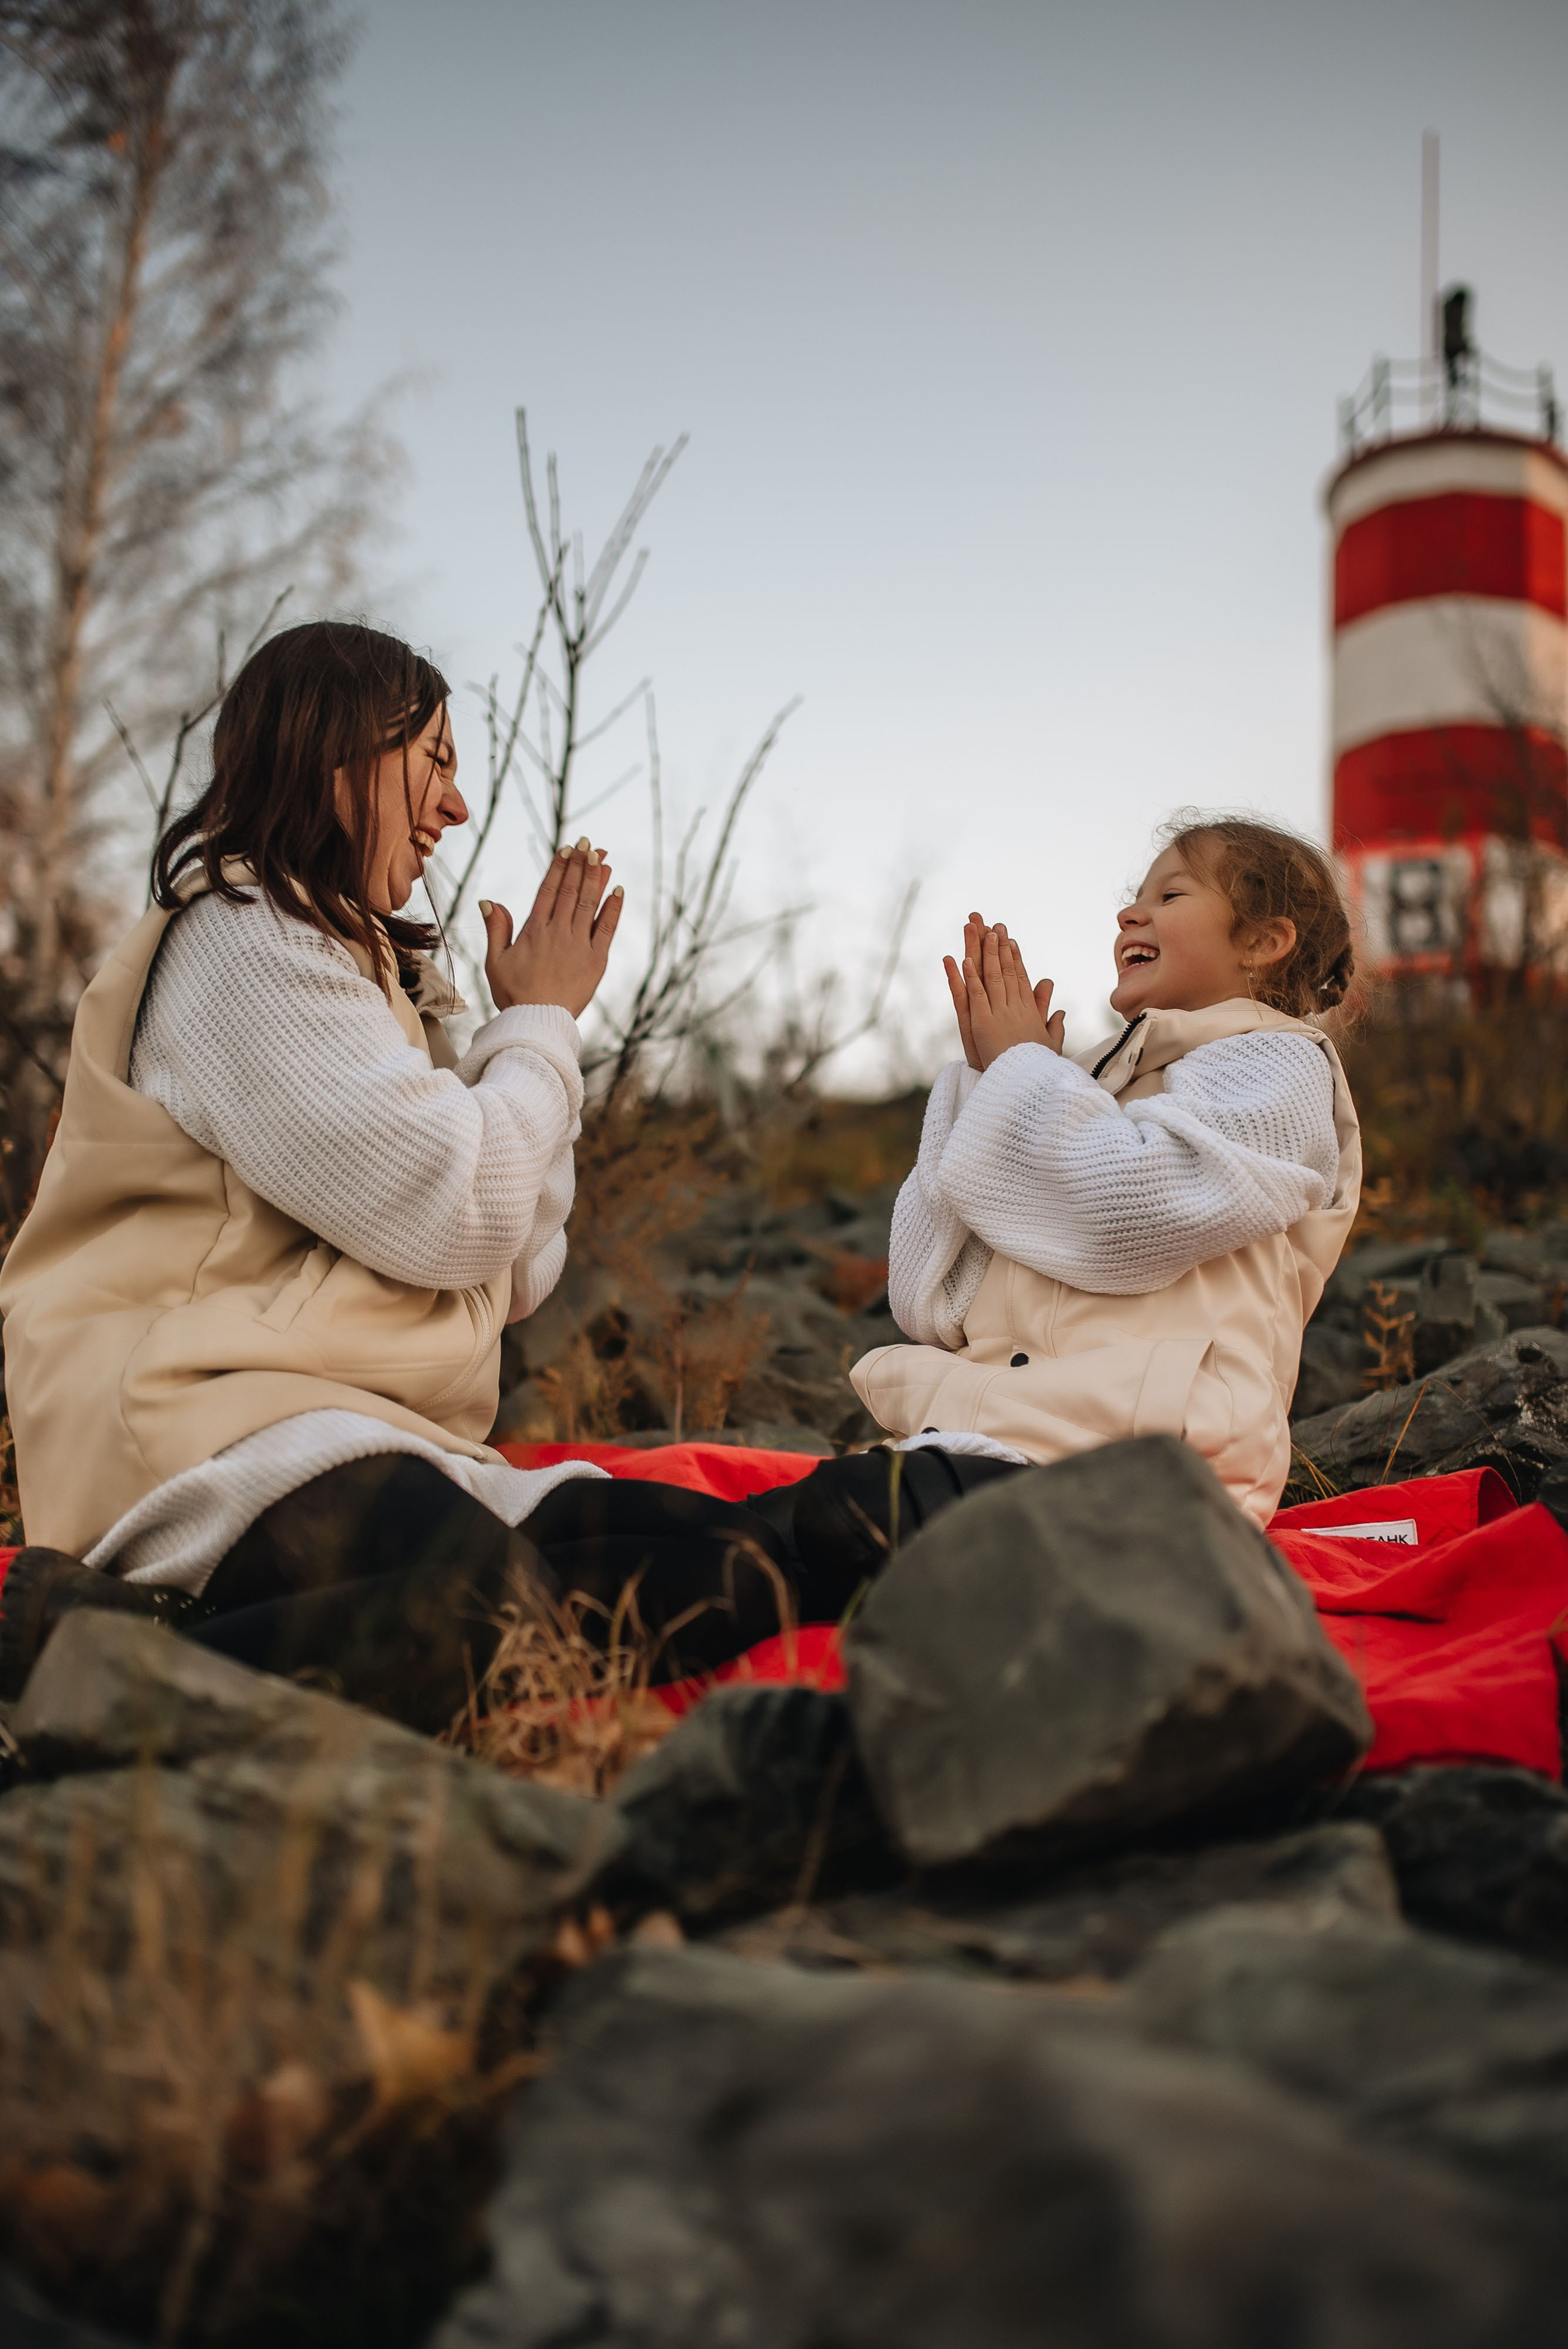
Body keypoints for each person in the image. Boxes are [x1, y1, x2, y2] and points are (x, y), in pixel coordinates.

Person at [0, 622, 799, 1724]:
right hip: (210, 1456)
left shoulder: (361, 971)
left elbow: (516, 1268)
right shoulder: (243, 940)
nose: (456, 808)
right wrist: (539, 1025)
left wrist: (524, 1041)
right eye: (433, 762)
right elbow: (461, 1213)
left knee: (720, 1550)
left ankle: (939, 1500)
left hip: (354, 1435)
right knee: (505, 1618)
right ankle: (96, 1654)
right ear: (339, 758)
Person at [778, 816, 1362, 1578]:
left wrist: (1024, 1073)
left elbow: (1135, 1214)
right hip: (1012, 1437)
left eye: (1170, 893)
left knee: (839, 1516)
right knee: (742, 1523)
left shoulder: (1281, 1068)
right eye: (1133, 898)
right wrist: (985, 1087)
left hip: (1155, 1466)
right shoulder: (1084, 1090)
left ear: (1261, 942)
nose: (1130, 913)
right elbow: (930, 1302)